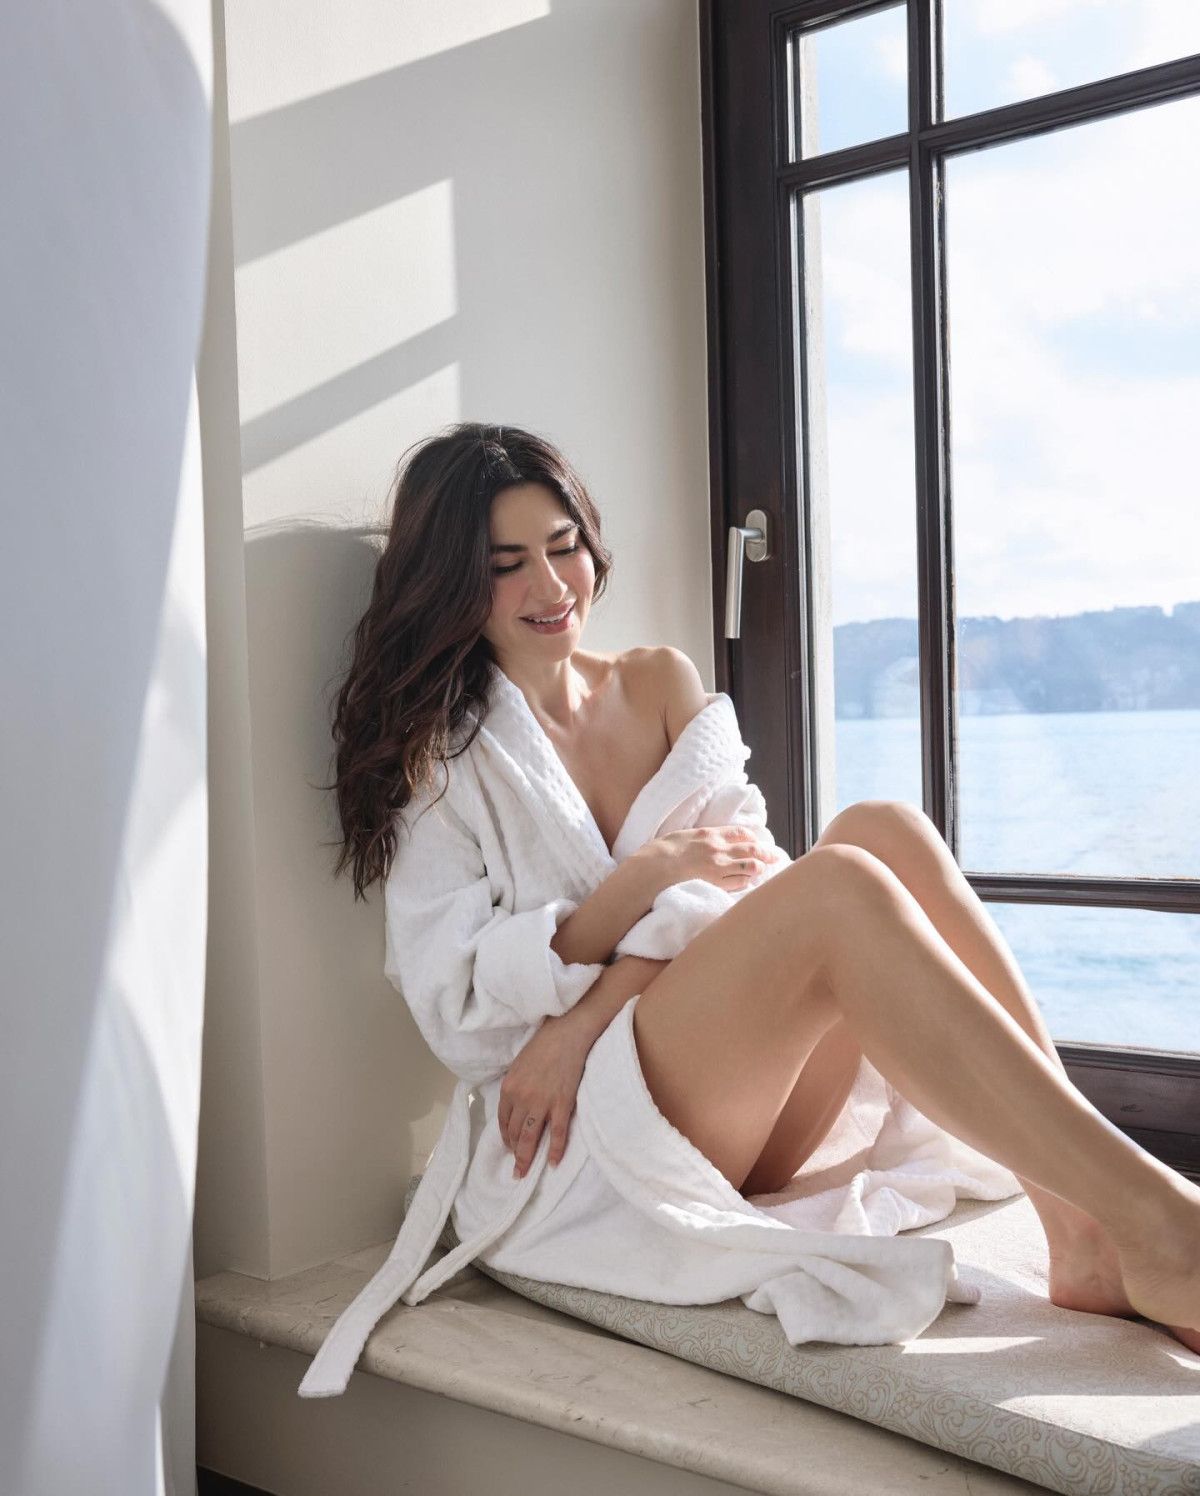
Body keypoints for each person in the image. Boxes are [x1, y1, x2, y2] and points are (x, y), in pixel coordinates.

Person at [299, 421, 1198, 1399]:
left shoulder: (657, 683)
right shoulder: (444, 755)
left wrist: (592, 1002)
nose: (551, 586)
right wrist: (642, 881)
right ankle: (1165, 1222)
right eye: (506, 565)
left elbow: (746, 883)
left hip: (723, 1088)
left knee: (884, 829)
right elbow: (459, 1003)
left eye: (563, 546)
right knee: (839, 887)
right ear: (451, 583)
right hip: (594, 1134)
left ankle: (1080, 1229)